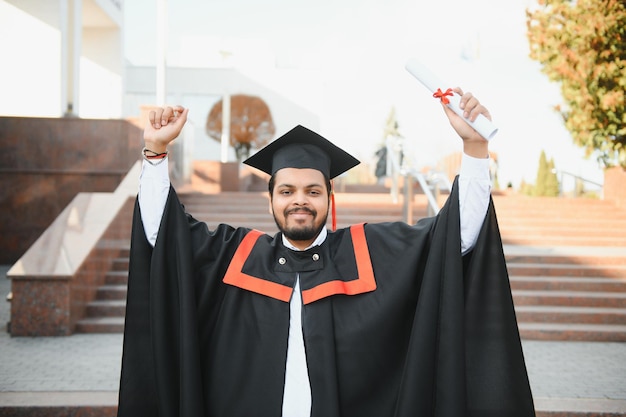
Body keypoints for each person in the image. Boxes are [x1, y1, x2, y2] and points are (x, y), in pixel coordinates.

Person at [117, 88, 535, 417]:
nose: (300, 201)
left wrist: (476, 150)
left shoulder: (370, 252)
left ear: (329, 198)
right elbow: (164, 236)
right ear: (270, 201)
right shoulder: (236, 256)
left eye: (313, 191)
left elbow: (455, 239)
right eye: (287, 191)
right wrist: (155, 152)